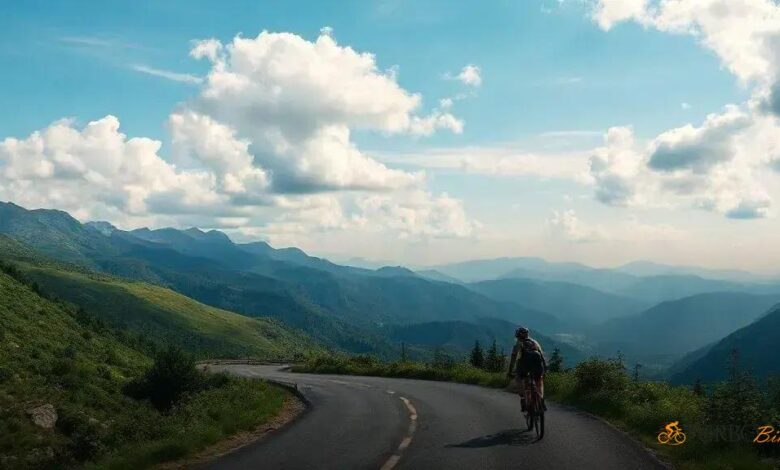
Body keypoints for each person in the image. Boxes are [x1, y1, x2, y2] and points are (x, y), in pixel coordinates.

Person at [507, 326, 546, 412]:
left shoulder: (518, 344)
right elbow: (541, 356)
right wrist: (544, 368)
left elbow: (513, 359)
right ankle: (541, 399)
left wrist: (510, 371)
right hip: (537, 365)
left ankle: (523, 399)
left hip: (524, 366)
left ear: (517, 335)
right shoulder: (535, 342)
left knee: (520, 379)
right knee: (539, 381)